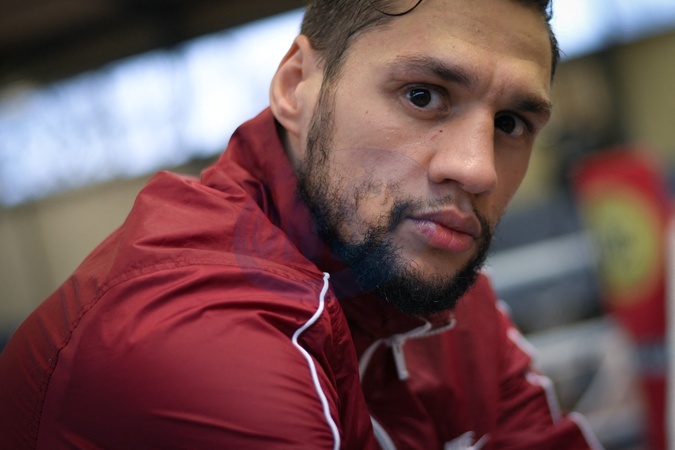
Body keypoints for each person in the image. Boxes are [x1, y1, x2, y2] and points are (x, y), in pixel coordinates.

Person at [0, 0, 604, 448]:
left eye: (510, 124)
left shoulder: (432, 283)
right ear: (295, 87)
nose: (477, 170)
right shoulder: (194, 331)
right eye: (423, 95)